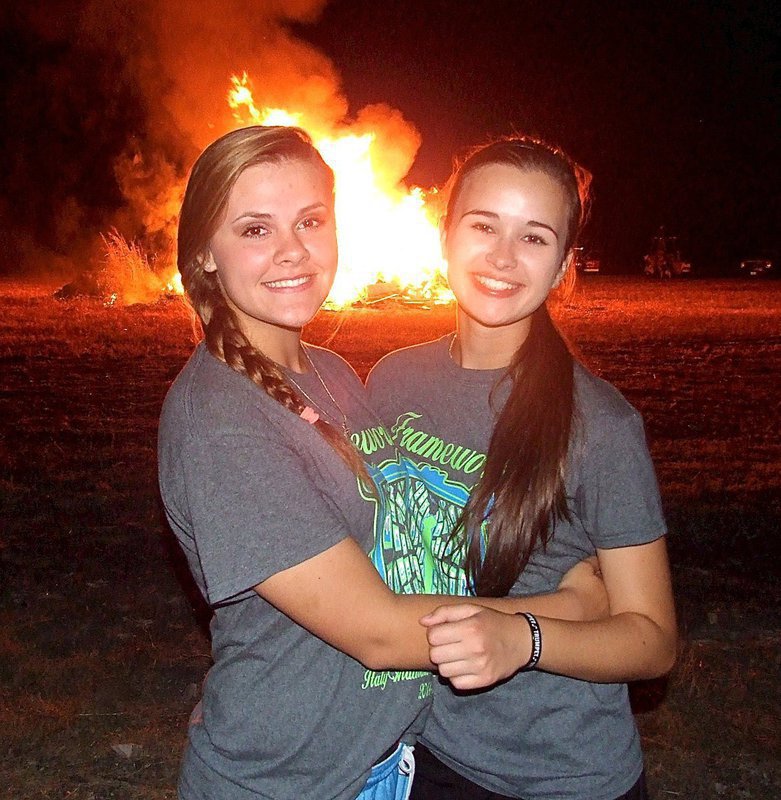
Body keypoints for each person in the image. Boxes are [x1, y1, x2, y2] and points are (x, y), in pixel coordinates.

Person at [158, 126, 607, 800]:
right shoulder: (220, 423)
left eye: (310, 221)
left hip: (382, 766)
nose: (292, 251)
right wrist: (559, 612)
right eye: (255, 229)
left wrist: (543, 546)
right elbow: (376, 633)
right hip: (286, 780)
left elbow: (405, 539)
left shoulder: (332, 374)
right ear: (205, 256)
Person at [367, 136, 677, 800]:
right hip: (420, 754)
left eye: (534, 238)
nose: (503, 257)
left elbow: (652, 640)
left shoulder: (600, 425)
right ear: (443, 233)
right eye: (484, 226)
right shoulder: (392, 380)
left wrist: (525, 639)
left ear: (564, 262)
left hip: (555, 775)